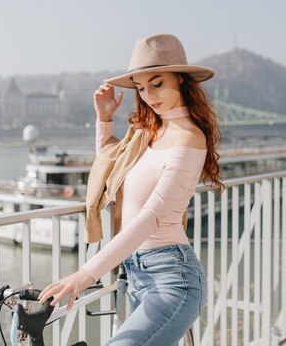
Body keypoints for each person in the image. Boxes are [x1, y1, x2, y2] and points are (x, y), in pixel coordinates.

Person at [38, 33, 223, 346]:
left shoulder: (189, 137)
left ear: (180, 79)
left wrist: (85, 275)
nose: (149, 95)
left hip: (172, 277)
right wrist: (104, 119)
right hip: (135, 273)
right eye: (140, 87)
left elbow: (152, 216)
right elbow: (110, 170)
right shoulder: (148, 132)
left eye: (157, 82)